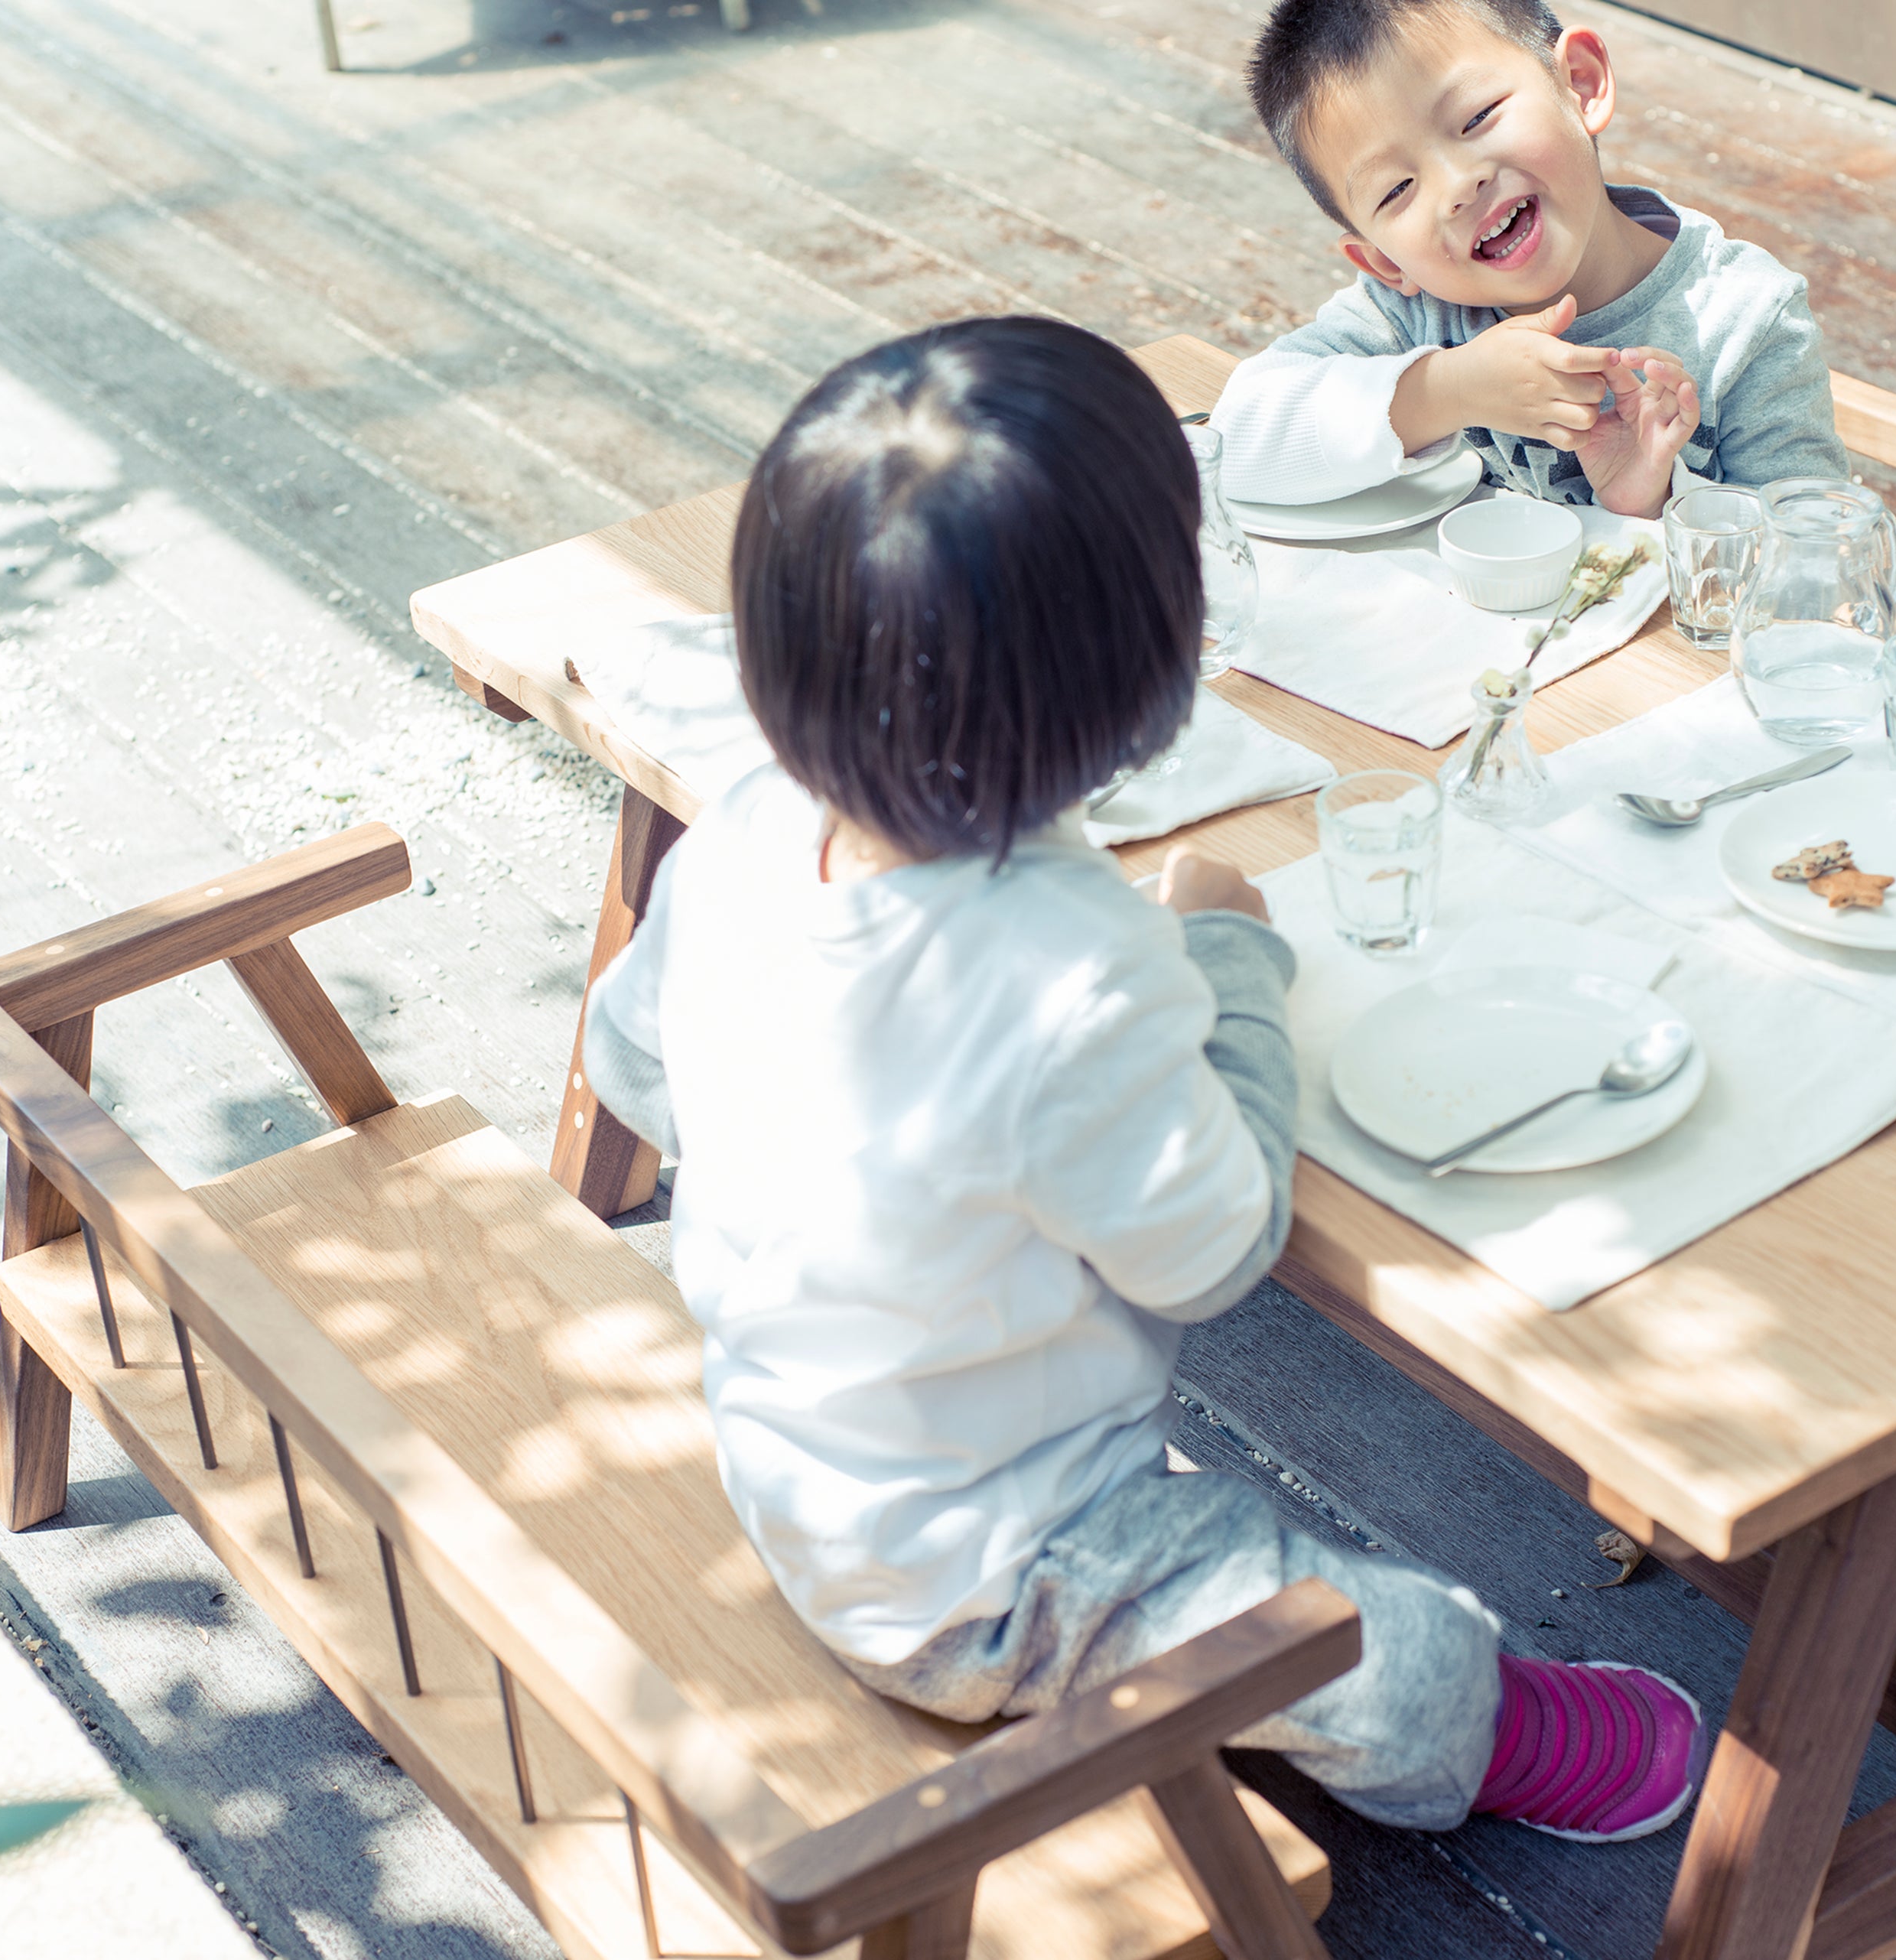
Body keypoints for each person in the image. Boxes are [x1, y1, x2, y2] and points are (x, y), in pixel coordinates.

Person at [577, 317, 1709, 1838]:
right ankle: (1484, 1734)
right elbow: (1214, 1252)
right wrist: (1228, 960)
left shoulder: (747, 831)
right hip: (994, 1574)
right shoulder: (1076, 963)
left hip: (794, 1451)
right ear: (1138, 677)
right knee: (1391, 1647)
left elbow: (630, 1058)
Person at [1209, 0, 1846, 517]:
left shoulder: (1744, 319)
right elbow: (1231, 442)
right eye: (1397, 189)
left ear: (1580, 84)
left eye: (1477, 117)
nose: (1458, 186)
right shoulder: (1413, 315)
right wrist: (1449, 391)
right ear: (1384, 262)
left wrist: (1654, 504)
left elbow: (1815, 567)